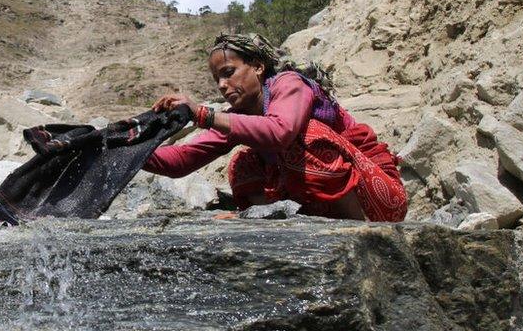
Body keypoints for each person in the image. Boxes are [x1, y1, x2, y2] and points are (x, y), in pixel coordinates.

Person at [144, 33, 407, 222]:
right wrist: (120, 147)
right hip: (316, 211)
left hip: (378, 204)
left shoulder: (289, 84)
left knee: (305, 138)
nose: (222, 85)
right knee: (243, 164)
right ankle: (278, 220)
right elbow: (181, 160)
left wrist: (202, 114)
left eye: (228, 72)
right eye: (217, 79)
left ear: (258, 67)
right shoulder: (240, 114)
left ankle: (360, 231)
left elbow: (281, 131)